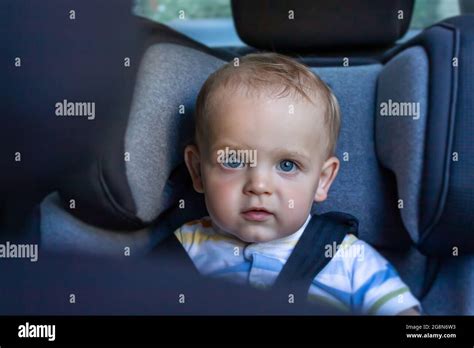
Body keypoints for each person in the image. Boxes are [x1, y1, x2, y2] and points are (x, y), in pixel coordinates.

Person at [175, 52, 420, 315]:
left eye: (287, 165)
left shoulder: (348, 259)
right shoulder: (185, 248)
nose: (258, 185)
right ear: (198, 171)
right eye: (233, 161)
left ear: (322, 181)